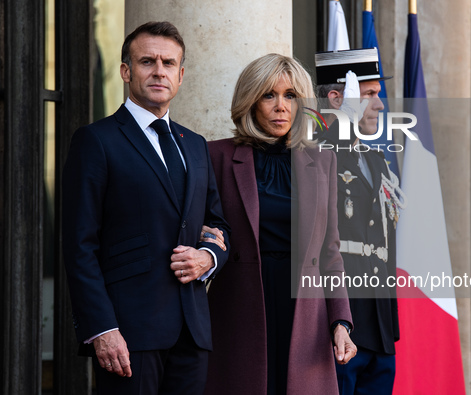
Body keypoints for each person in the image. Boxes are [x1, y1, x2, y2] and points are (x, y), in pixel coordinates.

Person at [62, 21, 230, 395]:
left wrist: (208, 257)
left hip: (192, 330)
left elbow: (218, 225)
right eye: (147, 61)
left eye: (168, 63)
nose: (159, 71)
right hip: (128, 333)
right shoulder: (96, 141)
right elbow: (79, 245)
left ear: (181, 75)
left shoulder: (196, 145)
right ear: (126, 71)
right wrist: (102, 329)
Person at [203, 53, 356, 395]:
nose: (281, 106)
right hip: (240, 306)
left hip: (305, 310)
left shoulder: (323, 160)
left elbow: (330, 252)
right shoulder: (215, 156)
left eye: (290, 96)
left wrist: (341, 322)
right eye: (268, 95)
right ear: (250, 101)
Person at [315, 48, 404, 395]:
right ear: (338, 98)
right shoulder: (314, 154)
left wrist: (389, 329)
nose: (380, 105)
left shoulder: (376, 161)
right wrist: (339, 124)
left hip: (379, 330)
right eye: (369, 95)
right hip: (339, 329)